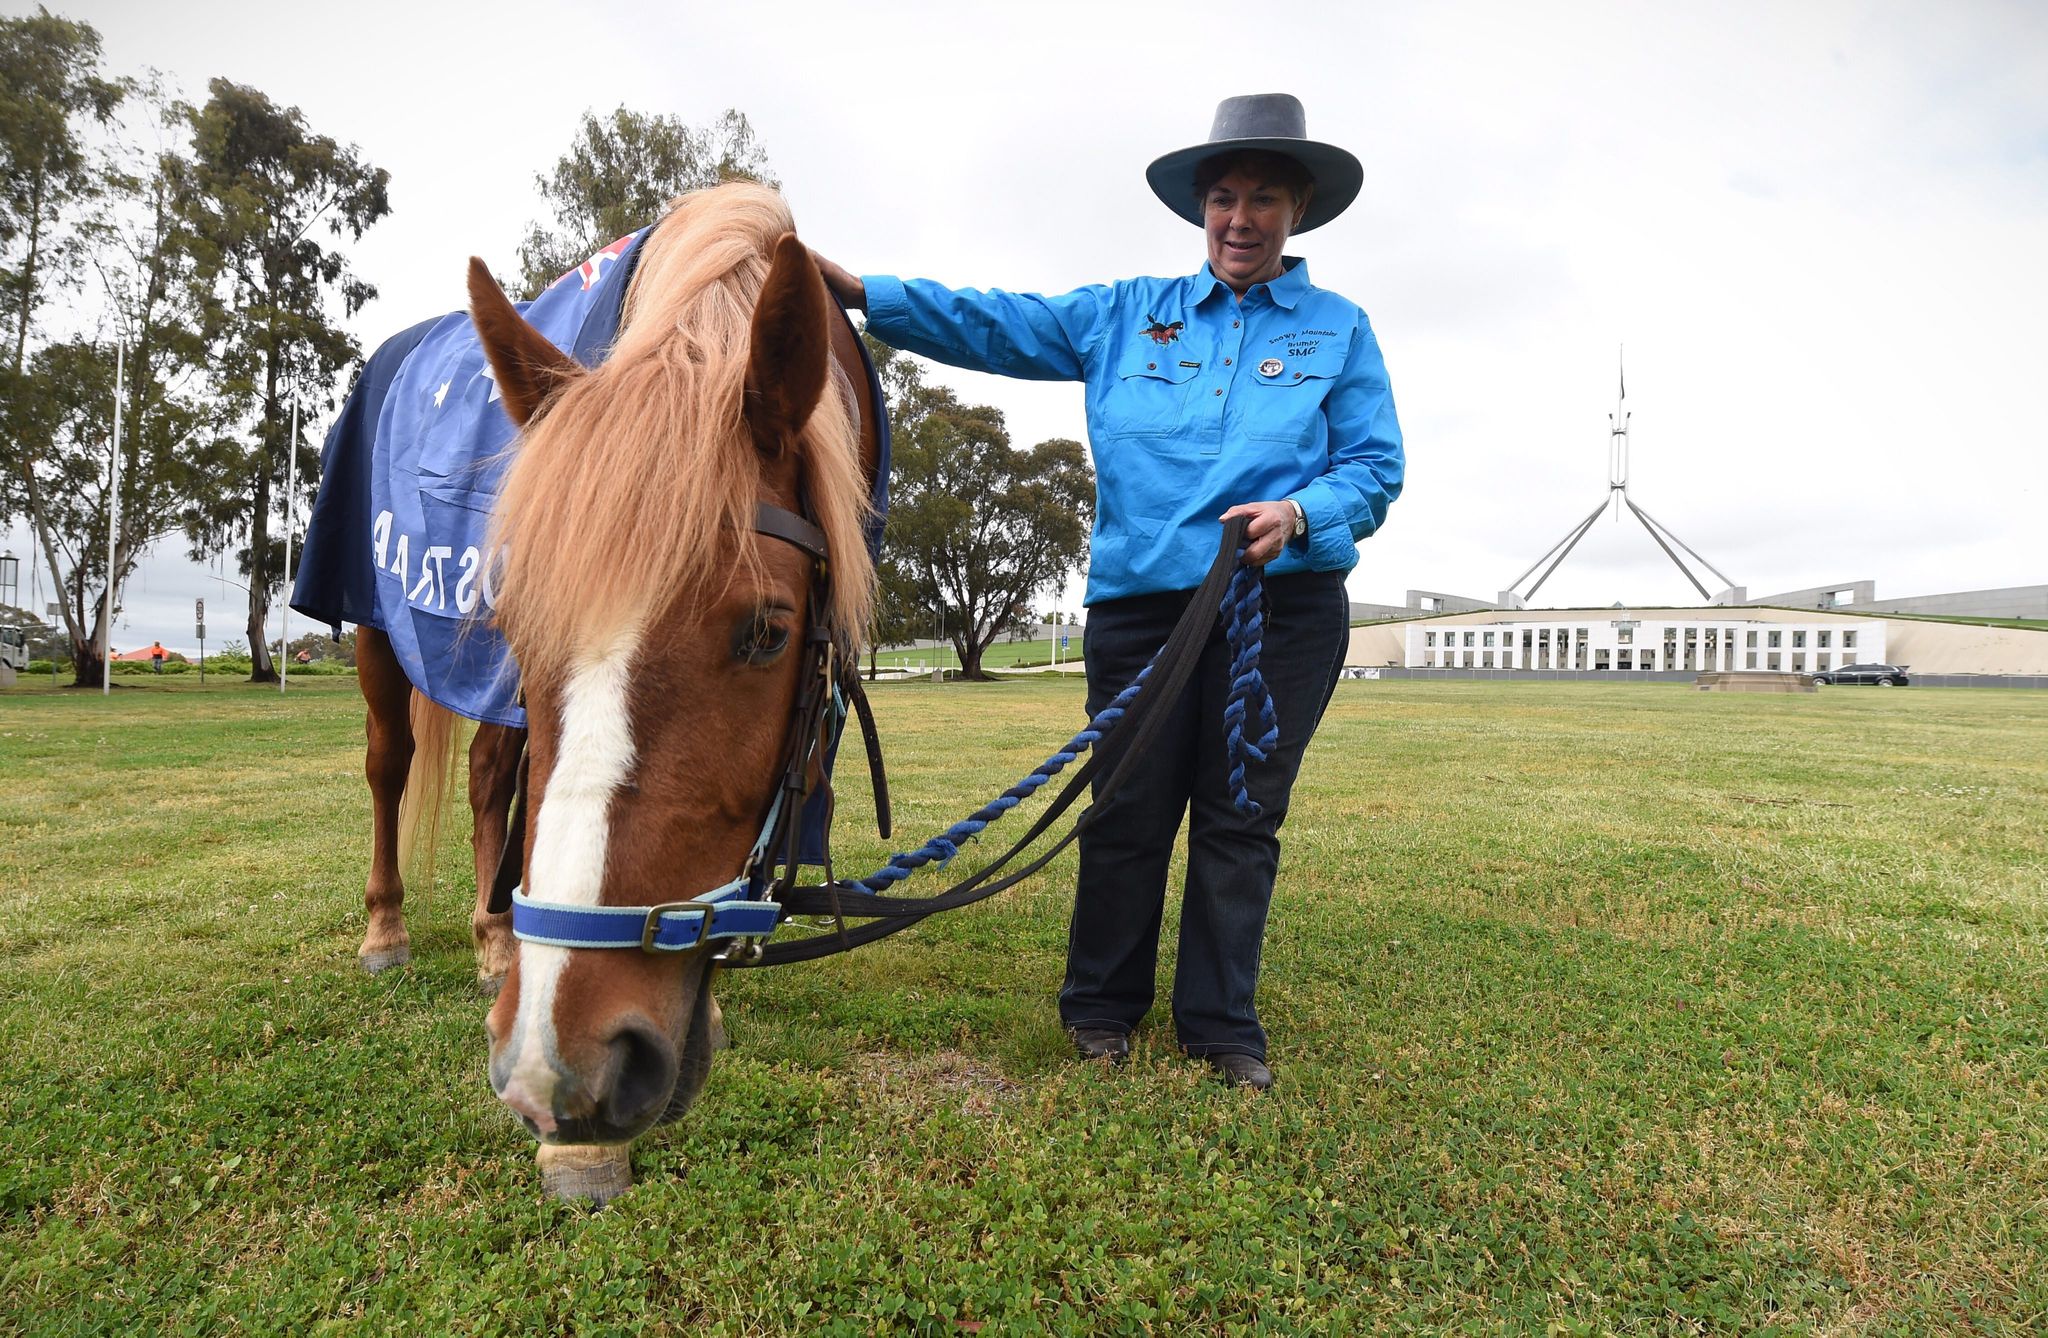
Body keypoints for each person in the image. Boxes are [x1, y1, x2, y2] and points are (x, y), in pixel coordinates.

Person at [815, 95, 1404, 1090]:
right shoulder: (1124, 314)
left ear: (1296, 210)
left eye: (1264, 197)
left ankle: (1221, 1026)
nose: (1240, 218)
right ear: (1198, 209)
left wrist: (1300, 516)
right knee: (1125, 810)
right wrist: (865, 291)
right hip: (1140, 610)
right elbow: (999, 323)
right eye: (1223, 197)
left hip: (1278, 610)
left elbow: (1373, 469)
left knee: (1238, 816)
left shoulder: (1338, 331)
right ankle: (1100, 1010)